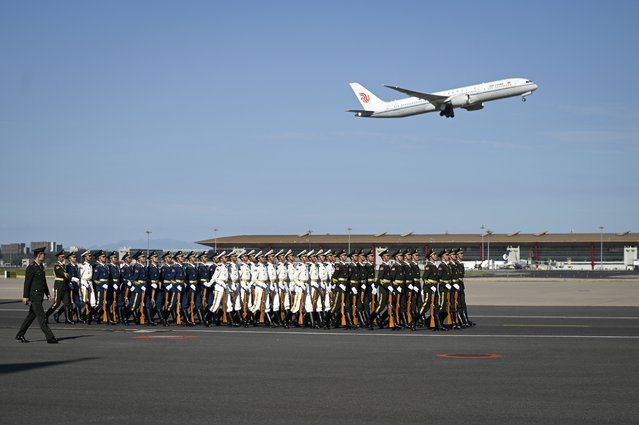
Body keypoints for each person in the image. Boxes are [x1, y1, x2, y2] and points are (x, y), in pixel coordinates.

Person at [16, 247, 58, 343]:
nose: (44, 256)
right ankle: (50, 337)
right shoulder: (31, 267)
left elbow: (43, 282)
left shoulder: (41, 266)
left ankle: (20, 334)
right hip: (34, 297)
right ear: (39, 256)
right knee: (42, 317)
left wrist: (47, 294)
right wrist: (25, 296)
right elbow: (27, 283)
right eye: (43, 254)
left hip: (40, 296)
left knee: (31, 317)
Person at [46, 249, 73, 324]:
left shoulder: (63, 266)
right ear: (58, 258)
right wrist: (72, 278)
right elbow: (63, 274)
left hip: (64, 285)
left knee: (67, 303)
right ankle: (46, 316)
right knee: (56, 304)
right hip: (59, 285)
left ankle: (67, 319)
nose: (63, 258)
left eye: (63, 257)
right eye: (61, 257)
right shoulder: (57, 266)